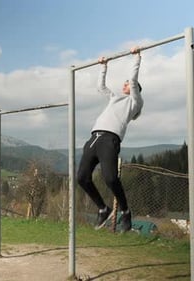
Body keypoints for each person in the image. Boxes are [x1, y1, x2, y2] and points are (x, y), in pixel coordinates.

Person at [77, 47, 143, 232]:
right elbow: (101, 87)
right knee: (81, 178)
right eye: (124, 84)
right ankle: (103, 208)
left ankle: (126, 212)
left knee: (111, 178)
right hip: (94, 138)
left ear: (135, 89)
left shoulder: (135, 102)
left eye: (127, 84)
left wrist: (137, 57)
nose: (124, 86)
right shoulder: (115, 97)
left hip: (109, 140)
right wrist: (103, 66)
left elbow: (133, 80)